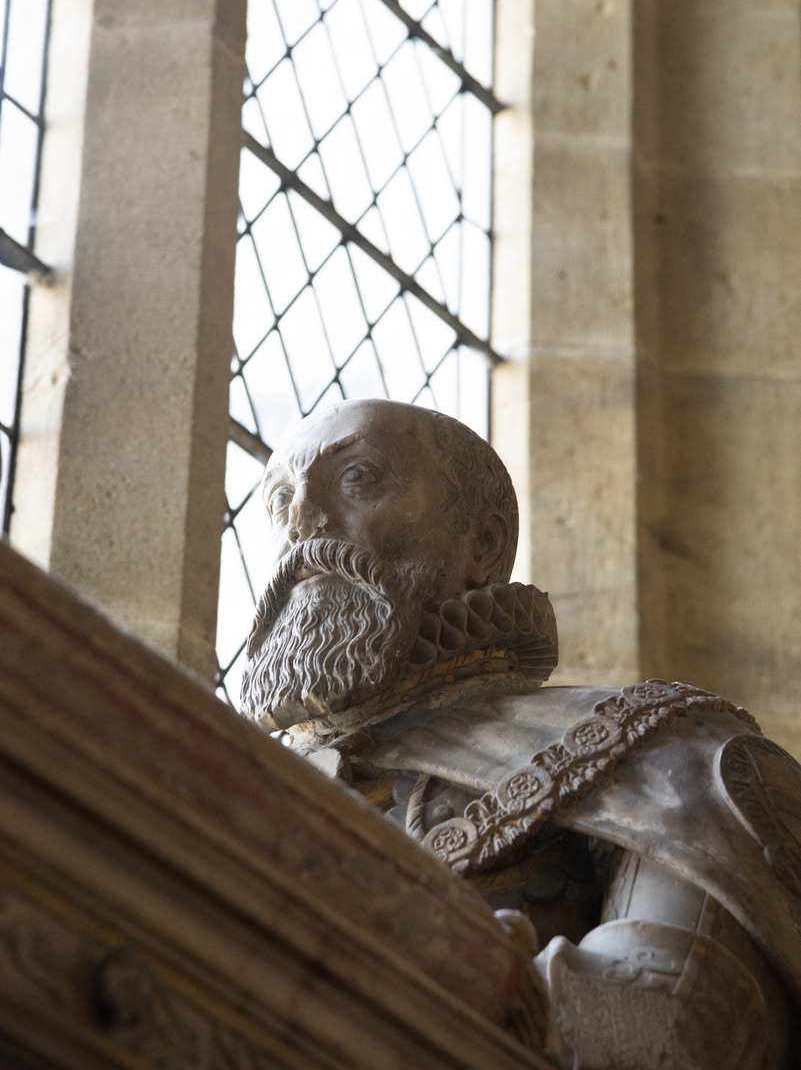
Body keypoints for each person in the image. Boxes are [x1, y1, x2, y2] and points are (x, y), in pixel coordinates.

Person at [242, 399, 801, 1070]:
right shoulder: (223, 785)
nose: (302, 524)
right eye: (278, 503)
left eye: (357, 478)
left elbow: (671, 1027)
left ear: (483, 544)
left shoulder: (663, 750)